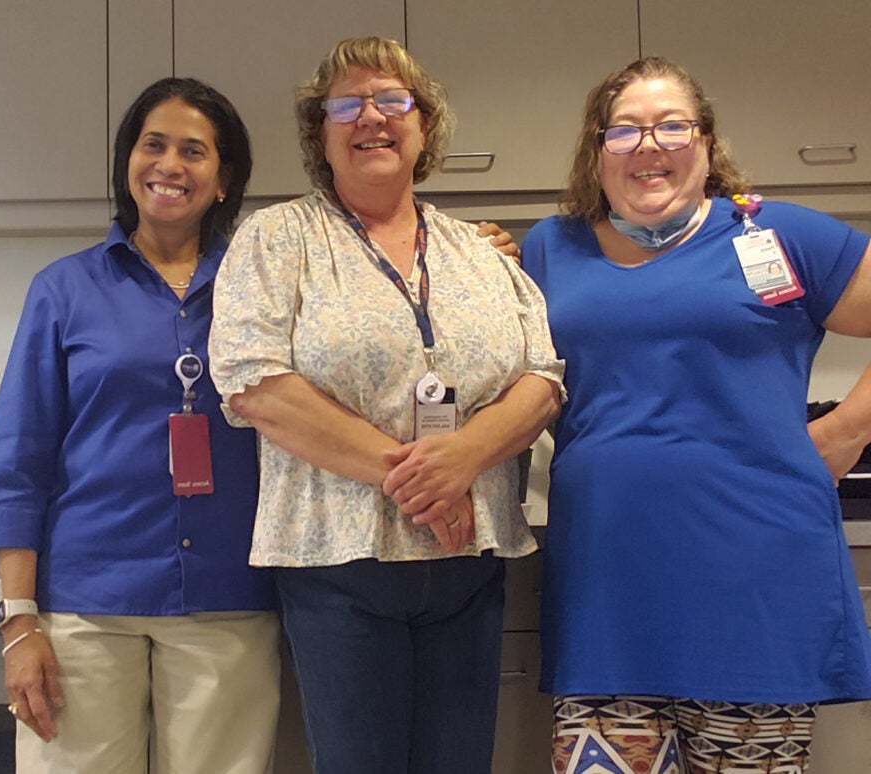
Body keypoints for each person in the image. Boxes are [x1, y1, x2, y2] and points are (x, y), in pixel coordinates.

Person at [208, 36, 565, 774]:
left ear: (423, 125)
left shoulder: (482, 251)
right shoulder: (275, 240)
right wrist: (425, 484)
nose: (372, 115)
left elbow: (543, 378)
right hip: (338, 565)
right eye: (347, 103)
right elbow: (253, 383)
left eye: (392, 99)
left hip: (470, 564)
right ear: (321, 134)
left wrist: (466, 454)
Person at [520, 56, 871, 773]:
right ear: (597, 151)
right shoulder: (551, 249)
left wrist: (845, 430)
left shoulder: (782, 237)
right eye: (624, 131)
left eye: (672, 125)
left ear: (706, 143)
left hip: (756, 591)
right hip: (606, 595)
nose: (649, 145)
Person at [0, 77, 280, 774]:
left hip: (228, 595)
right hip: (86, 602)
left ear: (224, 178)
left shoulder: (263, 287)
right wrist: (18, 620)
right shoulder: (64, 289)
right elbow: (19, 455)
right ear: (127, 162)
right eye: (154, 145)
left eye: (194, 151)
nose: (170, 165)